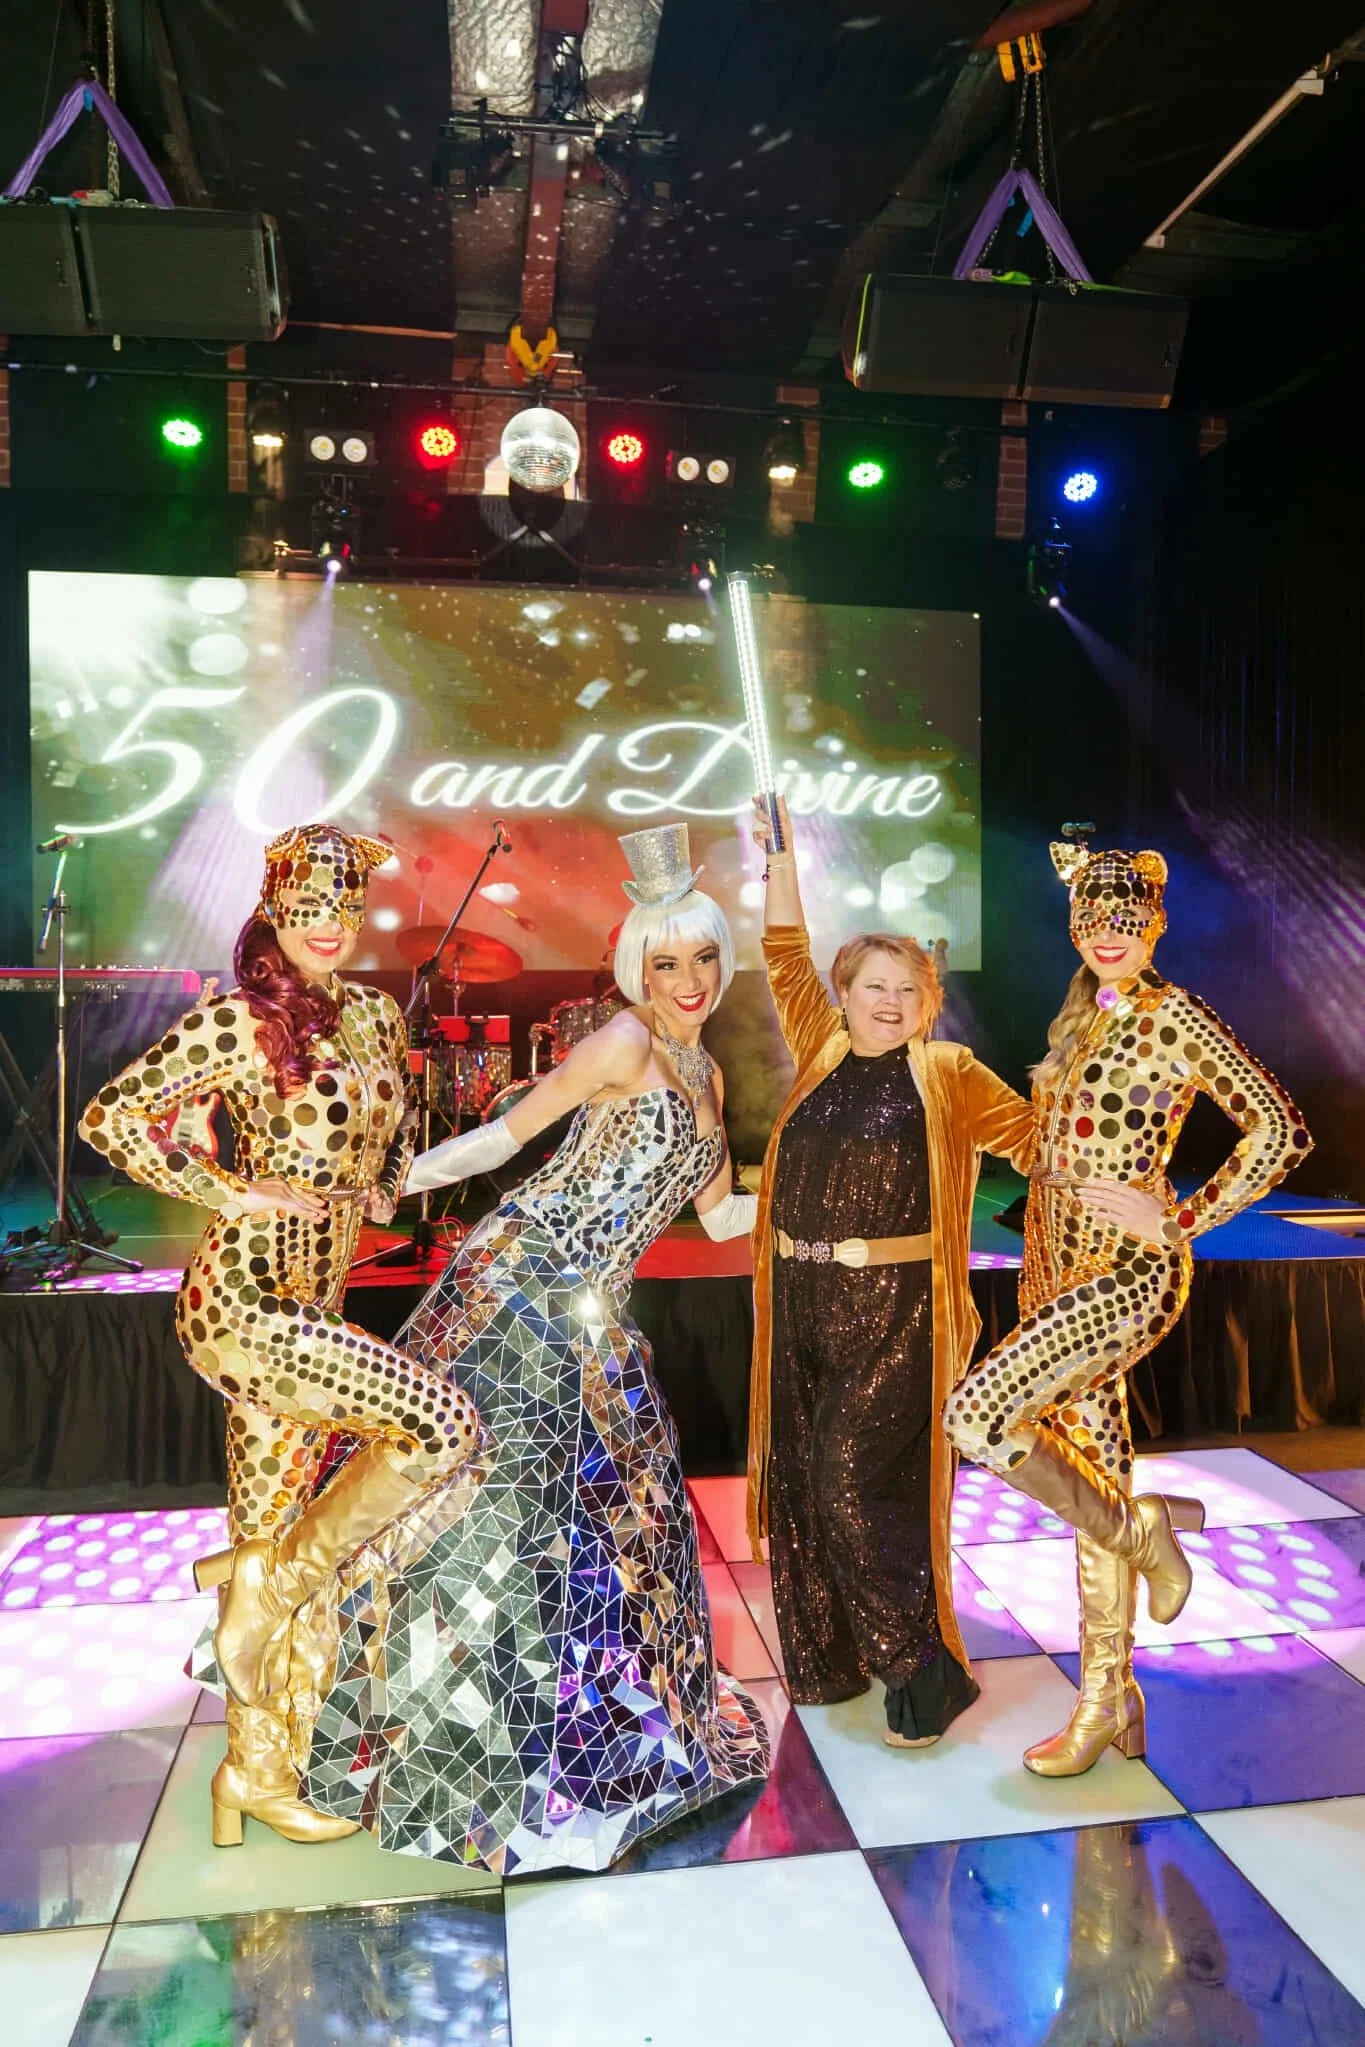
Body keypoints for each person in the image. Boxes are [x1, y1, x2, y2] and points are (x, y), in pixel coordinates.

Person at [298, 821, 769, 1876]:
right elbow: (510, 1139)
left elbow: (721, 1213)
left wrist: (810, 1200)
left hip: (597, 1307)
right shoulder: (626, 1044)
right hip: (525, 1276)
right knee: (492, 1504)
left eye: (701, 959)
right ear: (634, 965)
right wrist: (398, 1184)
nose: (687, 980)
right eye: (665, 961)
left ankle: (587, 1741)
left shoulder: (709, 1079)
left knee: (612, 1516)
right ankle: (441, 1745)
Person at [77, 824, 486, 1845]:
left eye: (343, 909)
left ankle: (255, 1773)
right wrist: (230, 1188)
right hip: (246, 1305)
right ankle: (259, 1594)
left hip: (315, 1308)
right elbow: (112, 1119)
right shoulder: (241, 1020)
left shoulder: (373, 1015)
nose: (328, 925)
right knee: (438, 1424)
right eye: (307, 909)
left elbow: (382, 1162)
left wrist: (446, 1159)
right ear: (272, 911)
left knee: (274, 1523)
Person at [942, 835, 1311, 1774]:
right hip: (1054, 1275)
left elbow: (1278, 1128)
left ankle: (1145, 1531)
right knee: (1090, 1479)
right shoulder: (1086, 1017)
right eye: (1092, 920)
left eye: (1126, 920)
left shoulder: (1170, 1013)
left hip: (1125, 1277)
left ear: (1152, 924)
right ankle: (1110, 1699)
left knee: (976, 1417)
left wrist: (1178, 1217)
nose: (1108, 935)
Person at [746, 798, 1038, 1748]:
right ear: (844, 992)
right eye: (872, 983)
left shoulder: (947, 1070)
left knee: (844, 1478)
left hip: (897, 1312)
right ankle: (830, 1659)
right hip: (799, 1300)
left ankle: (921, 1668)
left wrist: (1103, 1104)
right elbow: (783, 950)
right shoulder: (823, 1045)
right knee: (798, 1477)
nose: (887, 1000)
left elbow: (1038, 1142)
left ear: (927, 1000)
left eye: (906, 988)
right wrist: (779, 857)